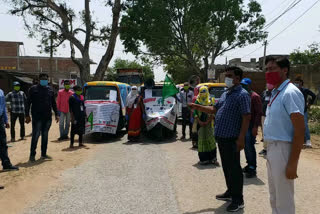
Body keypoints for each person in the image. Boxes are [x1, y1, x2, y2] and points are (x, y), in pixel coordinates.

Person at [189, 66, 251, 212]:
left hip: (232, 139)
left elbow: (246, 117)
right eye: (226, 75)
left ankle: (238, 200)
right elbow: (214, 109)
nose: (226, 78)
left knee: (234, 169)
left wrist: (242, 138)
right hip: (222, 138)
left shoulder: (242, 95)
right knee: (227, 167)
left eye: (229, 76)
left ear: (238, 78)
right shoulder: (226, 93)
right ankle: (230, 192)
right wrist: (195, 106)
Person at [264, 57, 305, 214]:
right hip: (273, 148)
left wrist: (293, 163)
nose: (268, 72)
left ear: (285, 70)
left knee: (284, 199)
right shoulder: (276, 92)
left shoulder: (290, 93)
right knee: (274, 196)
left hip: (283, 149)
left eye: (272, 68)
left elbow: (299, 130)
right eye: (266, 69)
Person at [25, 73, 59, 162]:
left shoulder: (50, 90)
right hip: (37, 117)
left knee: (45, 136)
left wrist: (57, 114)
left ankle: (43, 154)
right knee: (36, 135)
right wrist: (27, 115)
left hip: (47, 117)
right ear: (39, 80)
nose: (44, 80)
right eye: (43, 79)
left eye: (46, 79)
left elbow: (53, 103)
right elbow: (28, 102)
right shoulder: (33, 89)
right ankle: (32, 155)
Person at [240, 78, 262, 178]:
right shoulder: (244, 95)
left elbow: (258, 113)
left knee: (250, 147)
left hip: (251, 125)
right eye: (242, 85)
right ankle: (249, 164)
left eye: (245, 85)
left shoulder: (255, 96)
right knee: (245, 146)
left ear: (249, 85)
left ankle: (253, 167)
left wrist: (255, 127)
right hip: (244, 125)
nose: (243, 86)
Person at [193, 86, 218, 165]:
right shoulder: (197, 101)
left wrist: (207, 121)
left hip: (209, 124)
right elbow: (195, 112)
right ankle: (204, 159)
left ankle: (213, 158)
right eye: (201, 92)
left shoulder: (211, 100)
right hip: (200, 124)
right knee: (201, 141)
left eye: (204, 92)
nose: (203, 94)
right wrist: (199, 121)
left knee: (211, 141)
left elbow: (213, 111)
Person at [294, 77, 316, 148]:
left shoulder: (305, 90)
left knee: (305, 125)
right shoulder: (293, 91)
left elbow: (313, 95)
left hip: (303, 111)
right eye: (295, 82)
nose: (296, 83)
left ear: (301, 83)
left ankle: (308, 141)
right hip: (295, 111)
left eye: (298, 82)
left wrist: (309, 104)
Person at [0, 88, 19, 171]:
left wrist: (6, 120)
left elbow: (3, 106)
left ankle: (6, 164)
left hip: (0, 119)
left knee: (3, 143)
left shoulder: (1, 91)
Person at [259, 84, 273, 156]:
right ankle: (265, 149)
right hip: (263, 115)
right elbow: (261, 102)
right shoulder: (264, 93)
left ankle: (271, 149)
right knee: (264, 132)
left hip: (271, 116)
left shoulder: (275, 93)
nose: (268, 85)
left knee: (270, 132)